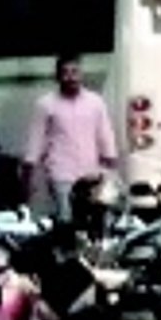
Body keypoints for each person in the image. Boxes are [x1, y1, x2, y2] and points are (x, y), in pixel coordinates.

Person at [23, 52, 118, 221]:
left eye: (75, 72)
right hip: (62, 175)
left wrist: (110, 163)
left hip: (91, 175)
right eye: (65, 73)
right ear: (58, 76)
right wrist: (28, 171)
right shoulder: (45, 104)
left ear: (81, 74)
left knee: (96, 220)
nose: (71, 77)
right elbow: (35, 140)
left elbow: (105, 133)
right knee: (67, 221)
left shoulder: (95, 102)